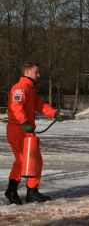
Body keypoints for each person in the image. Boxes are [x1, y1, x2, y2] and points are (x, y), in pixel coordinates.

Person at [5, 61, 68, 205]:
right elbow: (15, 106)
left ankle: (21, 190)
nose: (39, 75)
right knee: (28, 161)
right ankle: (22, 191)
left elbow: (39, 105)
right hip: (18, 130)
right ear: (27, 72)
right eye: (36, 72)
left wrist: (55, 113)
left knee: (28, 161)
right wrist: (24, 122)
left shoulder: (30, 89)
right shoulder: (20, 88)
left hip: (25, 130)